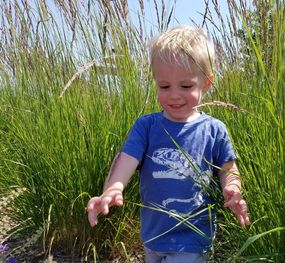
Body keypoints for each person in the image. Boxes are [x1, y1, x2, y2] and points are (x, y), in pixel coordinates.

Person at [87, 25, 250, 263]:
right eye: (164, 86)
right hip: (153, 236)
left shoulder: (214, 130)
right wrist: (113, 188)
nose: (174, 95)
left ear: (206, 83)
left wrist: (233, 189)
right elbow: (127, 159)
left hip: (193, 237)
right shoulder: (147, 126)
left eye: (186, 86)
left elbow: (228, 168)